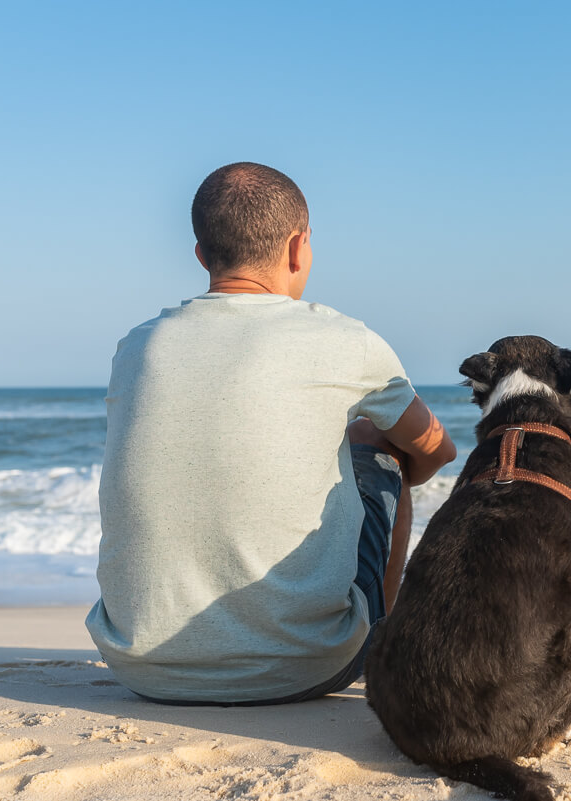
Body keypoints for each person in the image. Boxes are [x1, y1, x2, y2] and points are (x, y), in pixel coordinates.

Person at [86, 162, 456, 705]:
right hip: (307, 667)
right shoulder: (343, 339)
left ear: (200, 254)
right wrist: (384, 469)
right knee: (377, 441)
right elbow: (436, 449)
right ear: (298, 247)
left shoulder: (138, 346)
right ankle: (384, 639)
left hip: (140, 667)